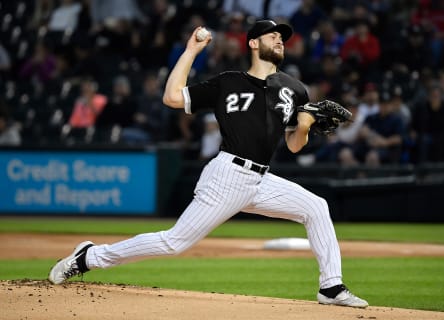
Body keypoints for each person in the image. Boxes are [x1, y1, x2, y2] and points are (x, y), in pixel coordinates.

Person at [48, 20, 368, 308]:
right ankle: (89, 257)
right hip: (227, 175)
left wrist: (305, 125)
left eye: (282, 37)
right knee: (174, 243)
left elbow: (295, 145)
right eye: (272, 35)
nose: (279, 40)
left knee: (316, 207)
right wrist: (191, 51)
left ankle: (331, 287)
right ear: (253, 43)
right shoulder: (229, 82)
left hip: (261, 180)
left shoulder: (294, 89)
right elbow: (172, 98)